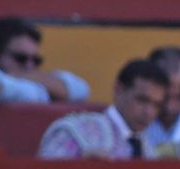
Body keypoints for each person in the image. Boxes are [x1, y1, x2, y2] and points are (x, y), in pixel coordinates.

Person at [37, 59, 168, 160]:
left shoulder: (148, 149)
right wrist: (79, 168)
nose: (148, 112)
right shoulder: (75, 131)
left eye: (156, 105)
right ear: (118, 90)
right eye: (141, 100)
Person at [0, 17, 89, 105]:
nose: (29, 65)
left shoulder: (32, 83)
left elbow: (80, 89)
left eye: (36, 60)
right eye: (20, 58)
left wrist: (19, 76)